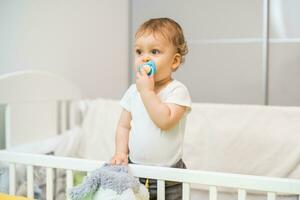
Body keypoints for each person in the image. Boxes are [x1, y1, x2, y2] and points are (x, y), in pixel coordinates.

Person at [110, 17, 192, 200]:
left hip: (170, 178)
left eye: (154, 51)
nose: (145, 58)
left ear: (174, 61)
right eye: (139, 52)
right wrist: (121, 152)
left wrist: (147, 91)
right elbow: (124, 126)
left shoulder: (177, 91)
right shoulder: (133, 91)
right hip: (135, 172)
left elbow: (164, 121)